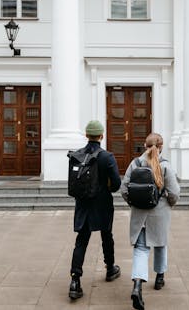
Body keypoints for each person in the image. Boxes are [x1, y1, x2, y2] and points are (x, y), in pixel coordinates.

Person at [120, 133, 180, 310]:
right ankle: (160, 277)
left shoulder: (135, 163)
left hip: (140, 213)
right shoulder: (165, 166)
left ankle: (137, 286)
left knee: (140, 249)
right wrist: (169, 204)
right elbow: (174, 193)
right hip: (159, 212)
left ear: (144, 145)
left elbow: (124, 189)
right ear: (161, 147)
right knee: (161, 243)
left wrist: (133, 203)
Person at [68, 120, 122, 300]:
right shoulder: (107, 157)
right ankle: (110, 268)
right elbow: (116, 184)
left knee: (81, 241)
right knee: (107, 235)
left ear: (86, 135)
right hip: (102, 203)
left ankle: (75, 280)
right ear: (101, 136)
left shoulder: (76, 155)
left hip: (83, 203)